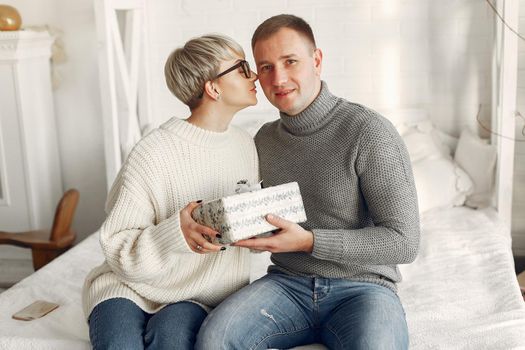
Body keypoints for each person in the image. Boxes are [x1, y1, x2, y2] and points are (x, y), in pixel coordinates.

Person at [196, 15, 420, 350]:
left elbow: (404, 242)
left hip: (363, 287)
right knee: (215, 339)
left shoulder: (369, 132)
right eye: (266, 67)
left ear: (316, 60)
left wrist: (309, 242)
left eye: (290, 62)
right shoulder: (264, 140)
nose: (279, 78)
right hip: (287, 284)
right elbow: (254, 212)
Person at [82, 34, 259, 350]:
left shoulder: (245, 145)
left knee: (172, 342)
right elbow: (118, 245)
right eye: (242, 67)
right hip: (127, 286)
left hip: (195, 293)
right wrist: (176, 232)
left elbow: (239, 235)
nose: (254, 75)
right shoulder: (152, 152)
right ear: (213, 87)